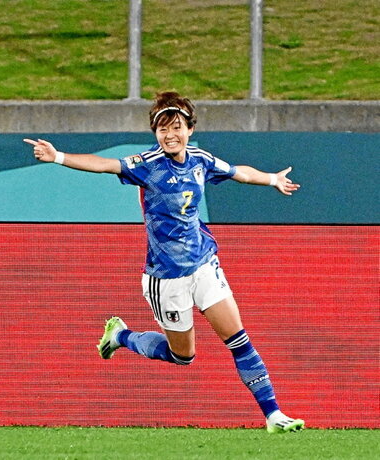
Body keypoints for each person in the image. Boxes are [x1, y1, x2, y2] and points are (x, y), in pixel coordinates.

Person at [23, 91, 304, 434]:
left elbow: (237, 172)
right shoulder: (148, 165)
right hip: (166, 277)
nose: (170, 135)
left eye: (176, 127)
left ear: (190, 129)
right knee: (183, 356)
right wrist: (58, 157)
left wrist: (271, 178)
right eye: (162, 129)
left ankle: (274, 415)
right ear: (155, 133)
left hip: (203, 265)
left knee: (238, 339)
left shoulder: (200, 159)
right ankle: (122, 336)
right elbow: (106, 165)